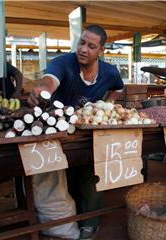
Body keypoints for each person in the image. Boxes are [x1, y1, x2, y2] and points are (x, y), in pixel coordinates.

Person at [28, 24, 124, 239]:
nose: (83, 49)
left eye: (91, 46)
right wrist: (43, 90)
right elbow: (50, 80)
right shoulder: (64, 63)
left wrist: (107, 105)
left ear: (101, 51)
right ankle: (69, 218)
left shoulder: (109, 72)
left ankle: (90, 221)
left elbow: (118, 88)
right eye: (82, 42)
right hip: (60, 131)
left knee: (90, 174)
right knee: (64, 173)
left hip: (90, 132)